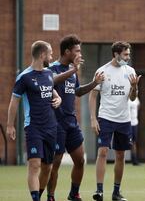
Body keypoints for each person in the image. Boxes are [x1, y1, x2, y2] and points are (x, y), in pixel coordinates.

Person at [46, 34, 105, 201]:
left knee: (80, 160)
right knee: (54, 164)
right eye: (77, 50)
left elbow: (77, 92)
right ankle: (50, 196)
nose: (80, 53)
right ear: (67, 51)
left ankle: (74, 194)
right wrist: (74, 69)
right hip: (56, 123)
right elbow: (50, 82)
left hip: (71, 123)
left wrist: (94, 83)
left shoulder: (73, 71)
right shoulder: (52, 68)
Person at [6, 40, 62, 201]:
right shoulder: (24, 77)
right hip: (33, 127)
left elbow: (52, 92)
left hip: (51, 127)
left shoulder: (49, 74)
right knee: (34, 164)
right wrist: (10, 125)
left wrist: (59, 99)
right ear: (42, 55)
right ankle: (35, 198)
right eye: (50, 54)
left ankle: (40, 194)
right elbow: (14, 102)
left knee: (47, 167)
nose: (51, 57)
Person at [89, 41, 141, 201]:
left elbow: (132, 98)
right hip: (105, 118)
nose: (128, 57)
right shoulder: (102, 71)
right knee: (103, 151)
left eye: (129, 54)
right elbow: (93, 95)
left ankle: (116, 192)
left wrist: (134, 87)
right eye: (125, 54)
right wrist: (93, 118)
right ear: (116, 54)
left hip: (124, 120)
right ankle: (99, 191)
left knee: (120, 155)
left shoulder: (130, 71)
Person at [129, 96, 140, 166]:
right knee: (128, 142)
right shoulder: (127, 98)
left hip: (135, 122)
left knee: (134, 142)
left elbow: (138, 105)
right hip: (127, 122)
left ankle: (134, 160)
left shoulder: (136, 98)